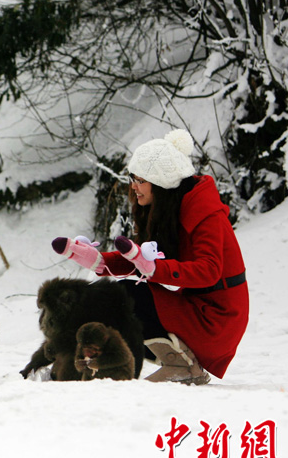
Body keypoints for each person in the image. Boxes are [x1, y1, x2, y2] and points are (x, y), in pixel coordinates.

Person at [53, 129, 248, 385]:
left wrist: (154, 268)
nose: (134, 186)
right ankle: (91, 368)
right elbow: (142, 259)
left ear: (161, 182)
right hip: (196, 308)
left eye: (140, 180)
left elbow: (208, 270)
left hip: (216, 318)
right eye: (132, 178)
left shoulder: (205, 213)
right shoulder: (170, 209)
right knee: (117, 298)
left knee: (128, 296)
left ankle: (182, 366)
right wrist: (99, 261)